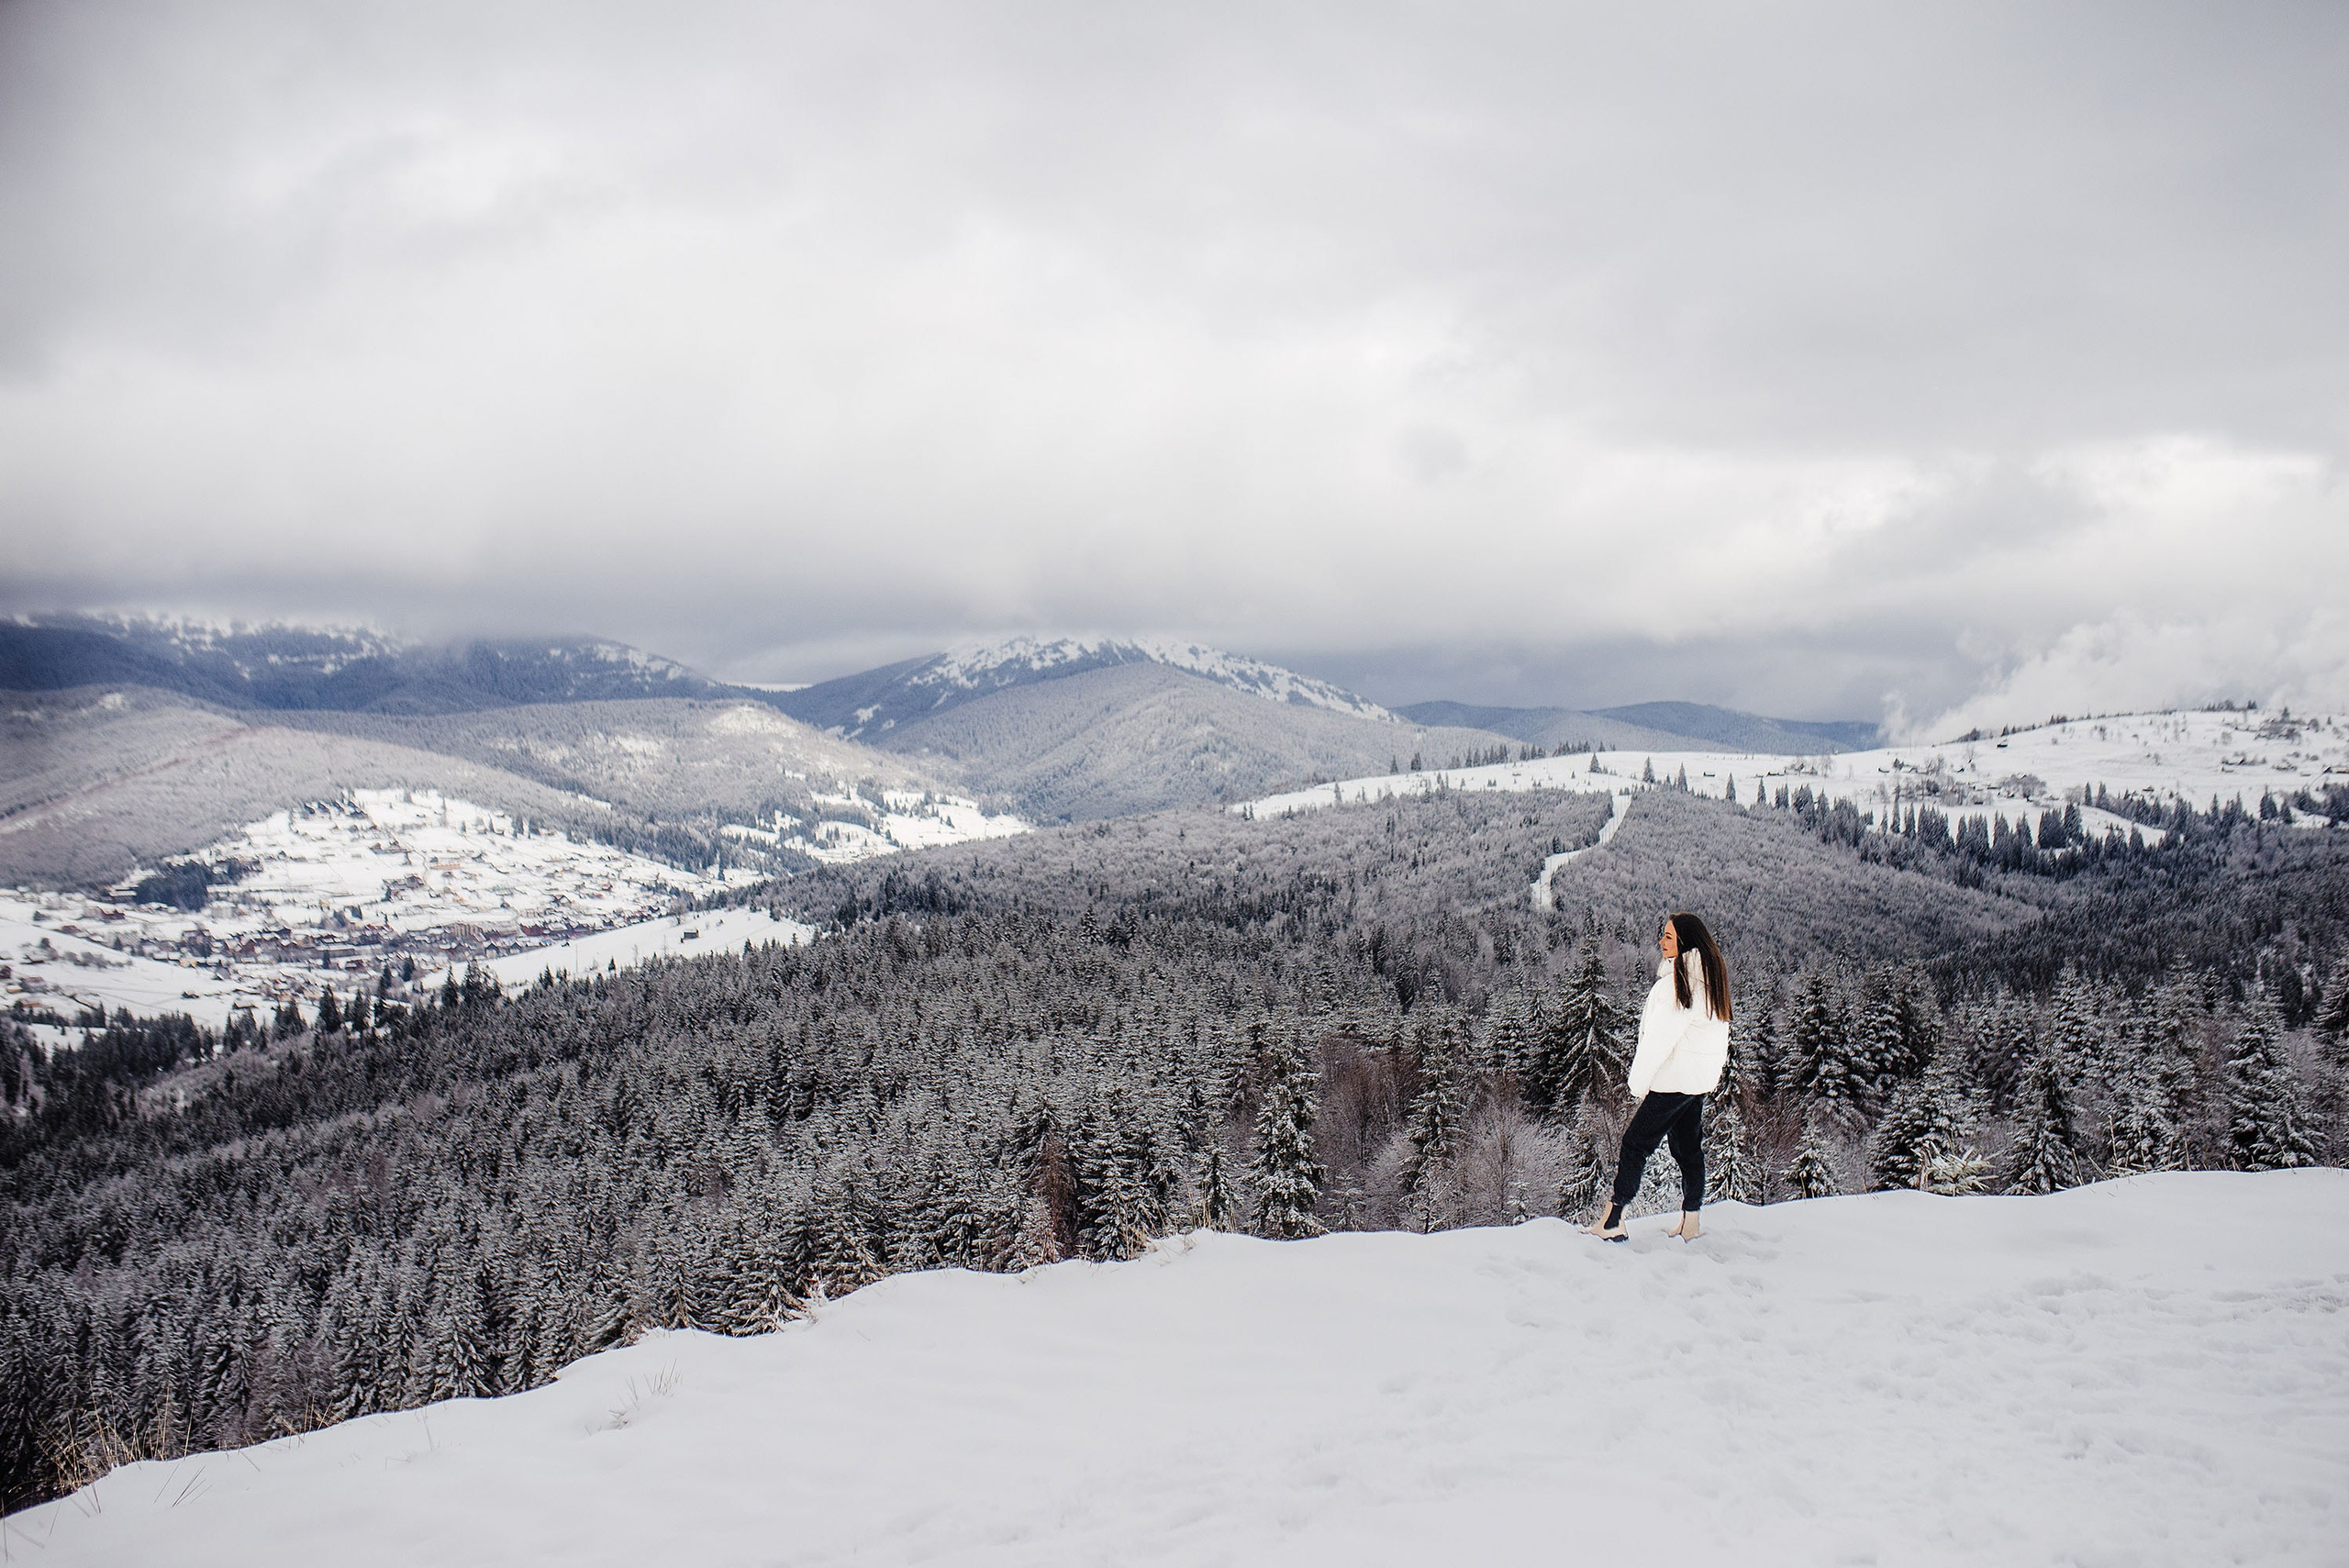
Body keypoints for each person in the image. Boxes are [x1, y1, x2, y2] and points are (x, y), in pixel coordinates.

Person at [1583, 912, 1732, 1241]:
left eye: (1668, 936)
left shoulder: (1677, 985)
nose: (1661, 942)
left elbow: (1657, 1042)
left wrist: (1638, 1084)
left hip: (1673, 1082)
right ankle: (1691, 1221)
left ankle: (1613, 1220)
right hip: (1695, 1082)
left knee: (1635, 1144)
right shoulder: (1710, 980)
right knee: (1688, 1148)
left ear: (1685, 942)